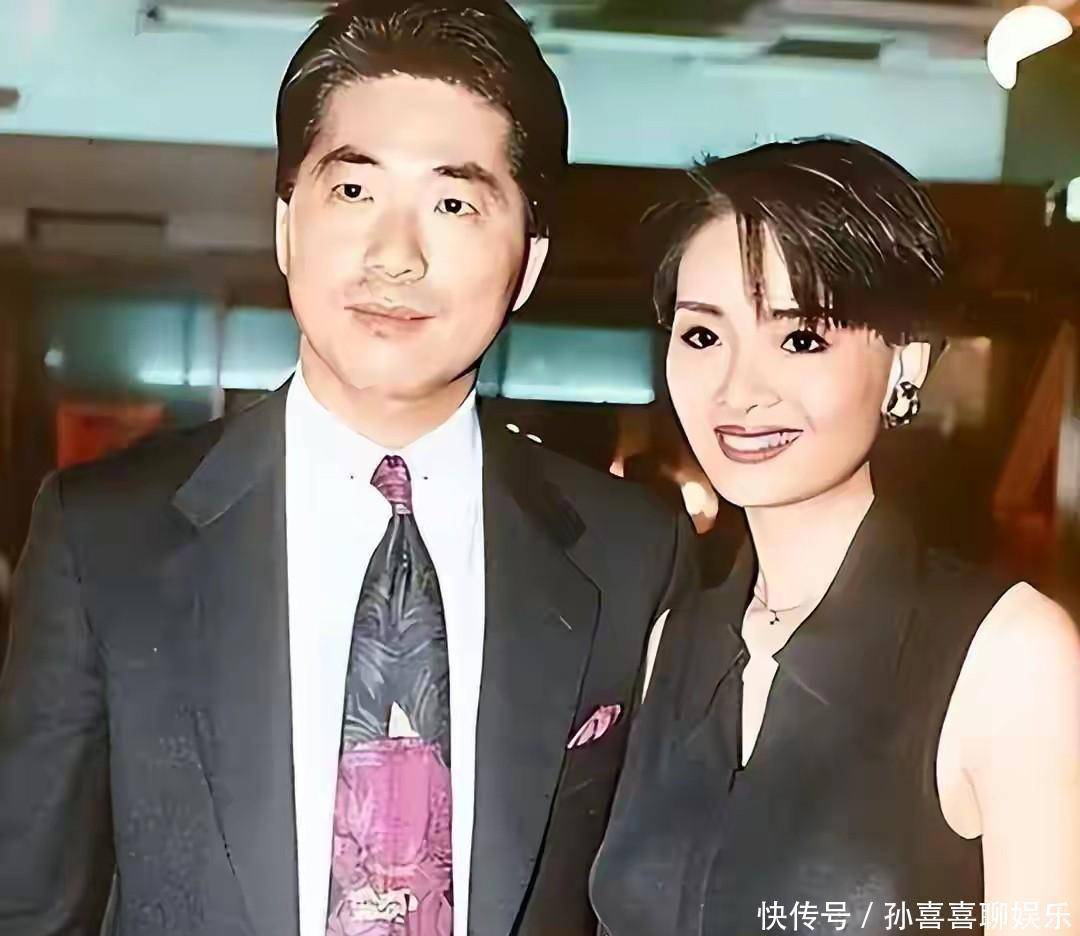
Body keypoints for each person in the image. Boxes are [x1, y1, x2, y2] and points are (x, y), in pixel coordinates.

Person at [0, 3, 695, 935]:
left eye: (453, 204)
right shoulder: (103, 537)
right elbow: (30, 903)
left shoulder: (632, 555)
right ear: (288, 226)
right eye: (356, 191)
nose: (394, 257)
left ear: (528, 264)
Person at [590, 139, 1080, 935]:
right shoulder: (670, 641)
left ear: (904, 366)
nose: (738, 391)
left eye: (801, 339)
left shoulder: (1010, 655)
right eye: (704, 336)